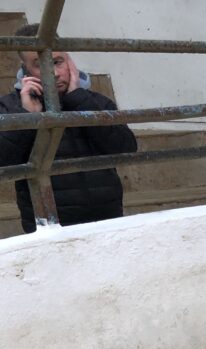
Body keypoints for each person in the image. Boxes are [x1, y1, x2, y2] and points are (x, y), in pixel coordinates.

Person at [0, 23, 137, 233]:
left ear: (69, 59)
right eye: (40, 64)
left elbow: (126, 148)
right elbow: (4, 161)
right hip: (48, 225)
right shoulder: (11, 106)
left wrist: (80, 101)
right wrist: (29, 117)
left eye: (57, 61)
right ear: (25, 69)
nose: (53, 73)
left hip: (106, 220)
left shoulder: (95, 101)